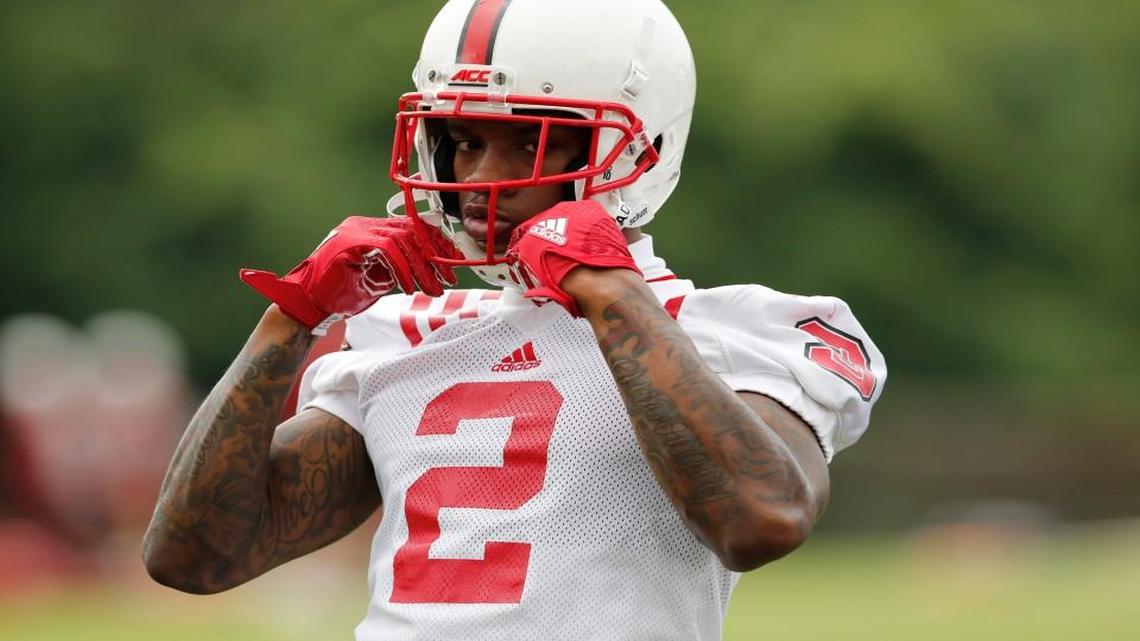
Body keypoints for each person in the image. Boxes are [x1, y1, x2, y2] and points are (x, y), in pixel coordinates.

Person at [142, 0, 886, 638]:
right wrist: (291, 319)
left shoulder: (733, 328)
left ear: (641, 149)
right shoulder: (410, 331)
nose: (478, 180)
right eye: (465, 141)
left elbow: (762, 521)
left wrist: (613, 293)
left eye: (529, 141)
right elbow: (194, 554)